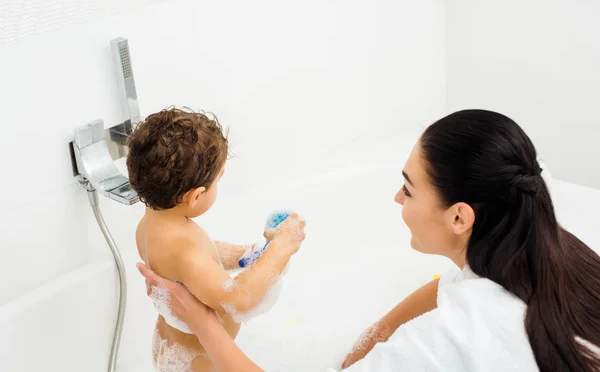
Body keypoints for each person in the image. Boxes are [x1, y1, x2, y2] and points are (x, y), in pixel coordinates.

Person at [138, 109, 600, 372]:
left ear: (460, 217)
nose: (396, 196)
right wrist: (365, 345)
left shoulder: (444, 345)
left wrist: (200, 322)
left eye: (409, 188)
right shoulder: (552, 250)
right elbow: (449, 289)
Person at [127, 107, 306, 371]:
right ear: (196, 196)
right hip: (200, 365)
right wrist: (282, 248)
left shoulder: (153, 224)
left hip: (173, 350)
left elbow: (199, 259)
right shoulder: (185, 252)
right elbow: (241, 300)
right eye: (218, 180)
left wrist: (243, 254)